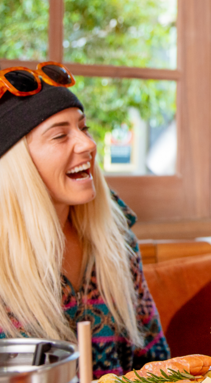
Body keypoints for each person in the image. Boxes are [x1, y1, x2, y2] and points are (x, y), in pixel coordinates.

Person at [0, 64, 169, 377]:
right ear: (18, 164)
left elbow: (155, 364)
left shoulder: (118, 243)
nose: (88, 145)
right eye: (61, 135)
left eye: (83, 128)